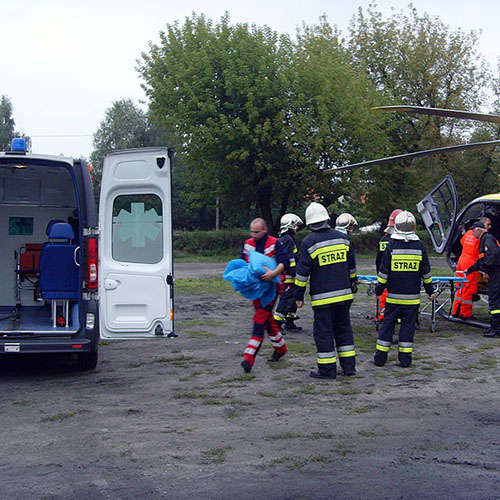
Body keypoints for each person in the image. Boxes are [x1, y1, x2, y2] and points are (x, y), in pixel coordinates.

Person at [294, 202, 357, 379]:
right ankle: (349, 367)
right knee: (344, 330)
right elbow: (352, 267)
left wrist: (298, 296)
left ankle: (327, 370)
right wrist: (353, 282)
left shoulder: (308, 242)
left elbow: (302, 273)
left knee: (324, 333)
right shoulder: (343, 239)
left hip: (323, 299)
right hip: (344, 295)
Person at [374, 210, 434, 368]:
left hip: (393, 297)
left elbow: (384, 271)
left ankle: (380, 358)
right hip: (412, 298)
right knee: (408, 328)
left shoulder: (392, 245)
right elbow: (426, 272)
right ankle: (405, 359)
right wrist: (430, 291)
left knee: (387, 325)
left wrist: (378, 290)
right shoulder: (420, 246)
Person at [240, 218, 288, 372]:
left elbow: (284, 261)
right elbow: (242, 262)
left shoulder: (275, 243)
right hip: (255, 288)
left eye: (256, 232)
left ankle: (249, 356)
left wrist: (273, 273)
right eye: (251, 231)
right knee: (267, 320)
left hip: (271, 288)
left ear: (264, 230)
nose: (253, 235)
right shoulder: (248, 244)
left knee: (260, 319)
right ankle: (280, 348)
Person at [452, 216, 492, 320]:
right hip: (471, 262)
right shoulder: (481, 237)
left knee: (460, 287)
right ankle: (465, 314)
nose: (489, 227)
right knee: (468, 289)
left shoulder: (468, 233)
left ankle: (456, 311)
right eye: (488, 225)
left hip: (462, 260)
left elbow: (461, 242)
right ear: (481, 226)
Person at [465, 221, 500, 337]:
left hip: (496, 273)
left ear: (478, 230)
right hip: (495, 272)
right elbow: (482, 260)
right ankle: (495, 327)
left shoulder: (487, 239)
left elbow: (491, 257)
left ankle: (496, 329)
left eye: (473, 230)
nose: (472, 233)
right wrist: (470, 269)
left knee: (494, 300)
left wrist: (485, 270)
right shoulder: (485, 240)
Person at [274, 213, 303, 332]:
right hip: (289, 276)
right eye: (295, 225)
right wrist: (294, 273)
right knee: (286, 299)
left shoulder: (285, 239)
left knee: (292, 298)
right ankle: (277, 325)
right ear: (290, 226)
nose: (297, 228)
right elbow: (291, 259)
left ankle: (289, 322)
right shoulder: (288, 240)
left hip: (288, 274)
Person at [375, 209, 402, 323]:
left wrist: (379, 275)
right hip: (398, 277)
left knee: (383, 298)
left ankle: (381, 316)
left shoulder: (384, 239)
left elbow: (378, 260)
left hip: (383, 275)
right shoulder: (399, 241)